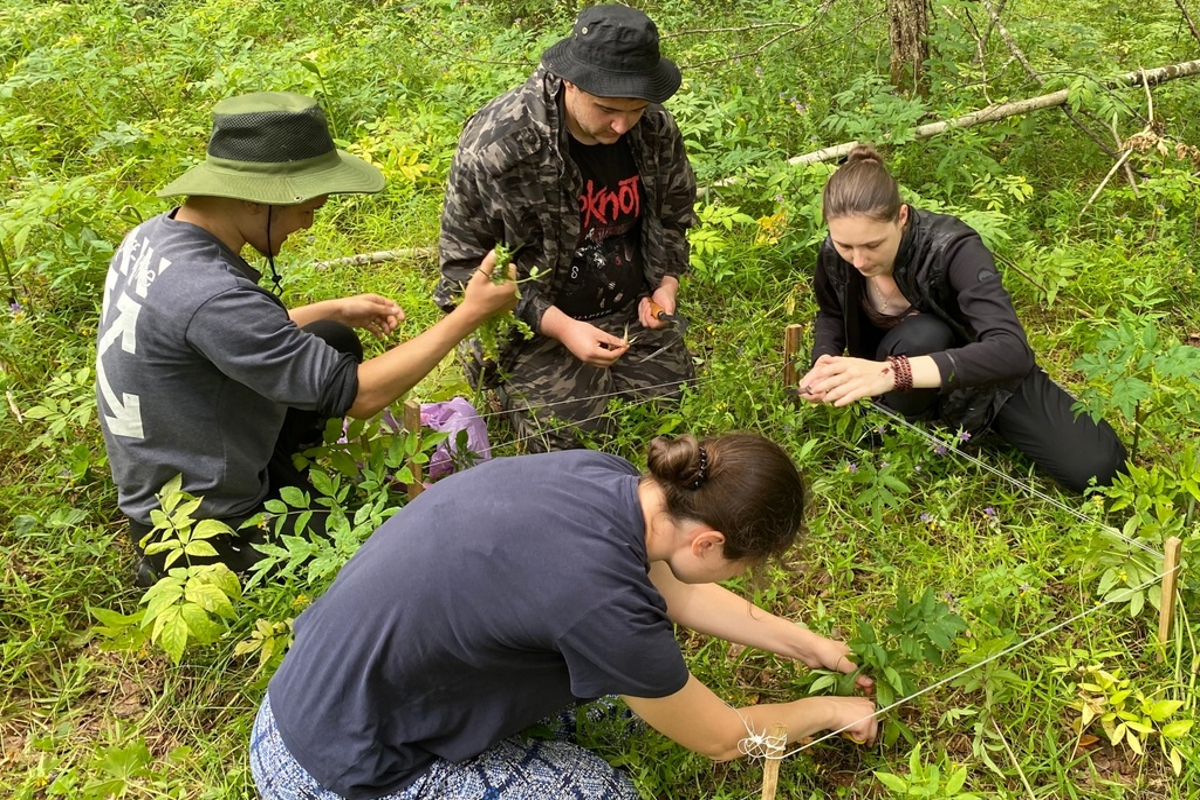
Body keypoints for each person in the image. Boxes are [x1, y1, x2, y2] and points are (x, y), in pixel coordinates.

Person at [250, 433, 878, 800]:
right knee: (598, 790)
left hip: (307, 698)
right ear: (708, 543)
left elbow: (678, 595)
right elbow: (720, 740)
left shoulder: (610, 481)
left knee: (623, 713)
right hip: (327, 772)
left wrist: (808, 645)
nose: (742, 578)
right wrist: (828, 712)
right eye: (744, 566)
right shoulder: (605, 602)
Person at [95, 91, 517, 585]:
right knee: (394, 547)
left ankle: (292, 473)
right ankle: (209, 556)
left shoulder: (154, 239)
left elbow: (217, 334)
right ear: (257, 198)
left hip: (172, 470)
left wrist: (336, 308)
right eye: (306, 208)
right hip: (199, 527)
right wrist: (469, 314)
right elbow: (359, 397)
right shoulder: (211, 294)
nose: (308, 222)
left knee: (331, 336)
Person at [435, 5, 697, 452]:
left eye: (635, 109)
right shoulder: (502, 144)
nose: (621, 125)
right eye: (608, 109)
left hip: (627, 309)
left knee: (674, 409)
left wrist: (665, 284)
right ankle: (501, 385)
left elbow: (673, 214)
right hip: (533, 323)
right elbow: (463, 271)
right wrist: (558, 326)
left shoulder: (651, 128)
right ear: (571, 80)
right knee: (577, 441)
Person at [798, 144, 1126, 493]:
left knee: (1101, 471)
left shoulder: (952, 247)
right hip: (898, 382)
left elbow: (1013, 350)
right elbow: (831, 313)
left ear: (902, 217)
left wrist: (894, 373)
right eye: (846, 246)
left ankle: (959, 415)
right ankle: (906, 423)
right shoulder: (834, 253)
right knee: (921, 337)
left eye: (873, 245)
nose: (859, 260)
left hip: (982, 376)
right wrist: (825, 359)